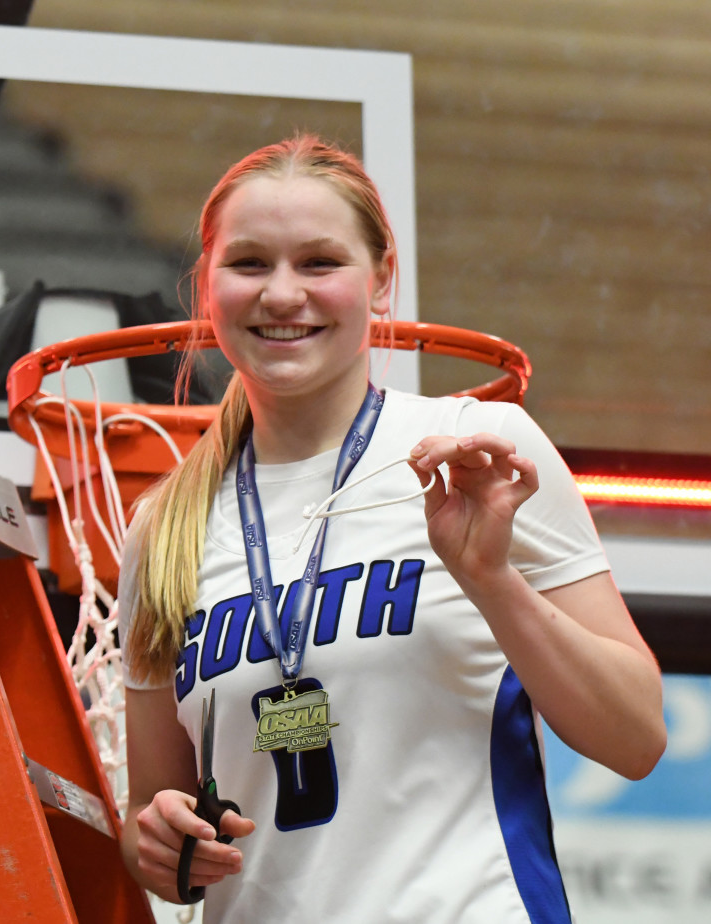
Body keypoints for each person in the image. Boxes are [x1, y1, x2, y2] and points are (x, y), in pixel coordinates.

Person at [116, 135, 666, 923]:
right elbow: (154, 827)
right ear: (207, 287)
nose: (281, 294)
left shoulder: (478, 449)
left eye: (317, 263)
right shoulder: (163, 528)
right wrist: (165, 842)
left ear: (379, 282)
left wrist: (491, 580)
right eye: (248, 264)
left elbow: (637, 738)